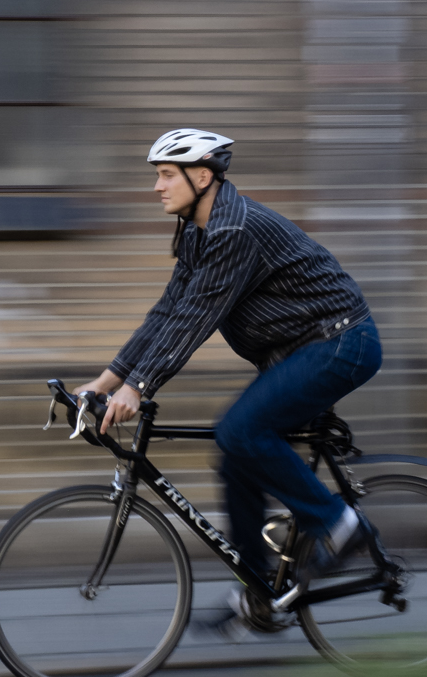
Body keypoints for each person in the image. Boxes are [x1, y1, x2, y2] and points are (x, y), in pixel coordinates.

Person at [72, 128, 384, 639]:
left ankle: (340, 525)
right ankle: (259, 593)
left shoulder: (234, 230)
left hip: (340, 343)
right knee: (234, 447)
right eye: (157, 176)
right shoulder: (199, 232)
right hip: (302, 351)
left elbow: (197, 317)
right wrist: (107, 381)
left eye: (166, 175)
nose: (157, 186)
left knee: (240, 430)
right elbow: (169, 311)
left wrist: (139, 387)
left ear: (202, 177)